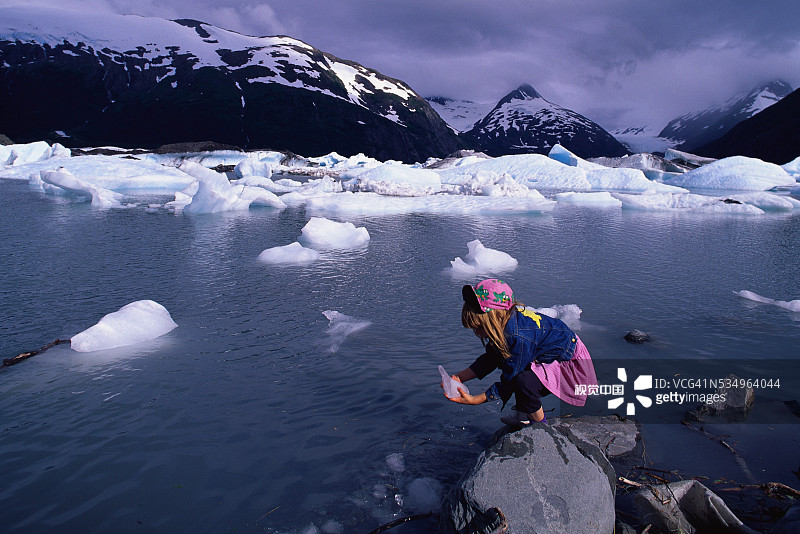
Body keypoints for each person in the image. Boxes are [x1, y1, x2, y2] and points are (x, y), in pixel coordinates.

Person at [444, 278, 597, 425]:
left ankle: (539, 427)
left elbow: (510, 380)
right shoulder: (506, 322)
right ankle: (524, 413)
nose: (477, 333)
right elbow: (491, 359)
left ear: (496, 318)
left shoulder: (518, 336)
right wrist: (459, 377)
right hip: (551, 352)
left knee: (523, 381)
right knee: (516, 367)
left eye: (479, 327)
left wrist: (476, 399)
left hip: (567, 360)